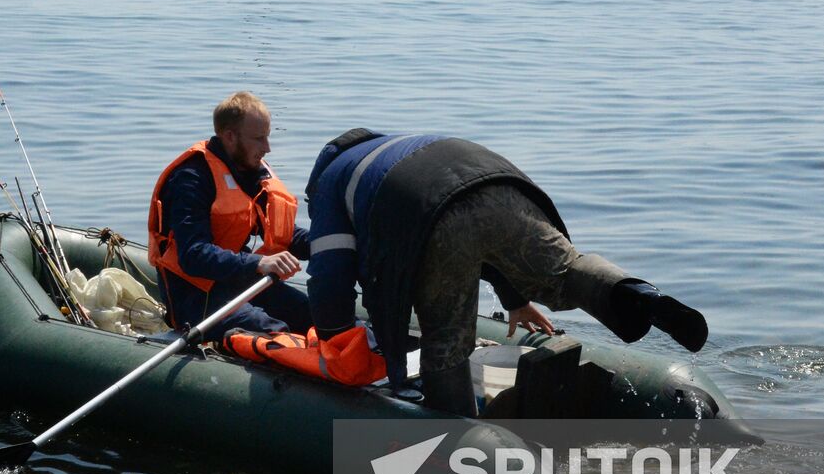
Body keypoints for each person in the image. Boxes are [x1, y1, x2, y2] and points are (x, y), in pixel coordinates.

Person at [304, 130, 709, 416]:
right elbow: (482, 236)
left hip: (432, 213)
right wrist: (516, 299)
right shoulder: (393, 146)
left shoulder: (331, 184)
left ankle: (460, 438)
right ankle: (639, 295)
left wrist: (333, 343)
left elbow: (330, 274)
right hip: (496, 181)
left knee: (446, 342)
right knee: (565, 274)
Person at [147, 92, 311, 339]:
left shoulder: (249, 170)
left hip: (236, 281)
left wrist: (330, 243)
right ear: (230, 136)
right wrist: (258, 263)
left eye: (267, 137)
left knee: (315, 315)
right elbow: (193, 255)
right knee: (274, 332)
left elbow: (282, 233)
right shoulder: (191, 178)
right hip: (195, 296)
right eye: (259, 139)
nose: (267, 148)